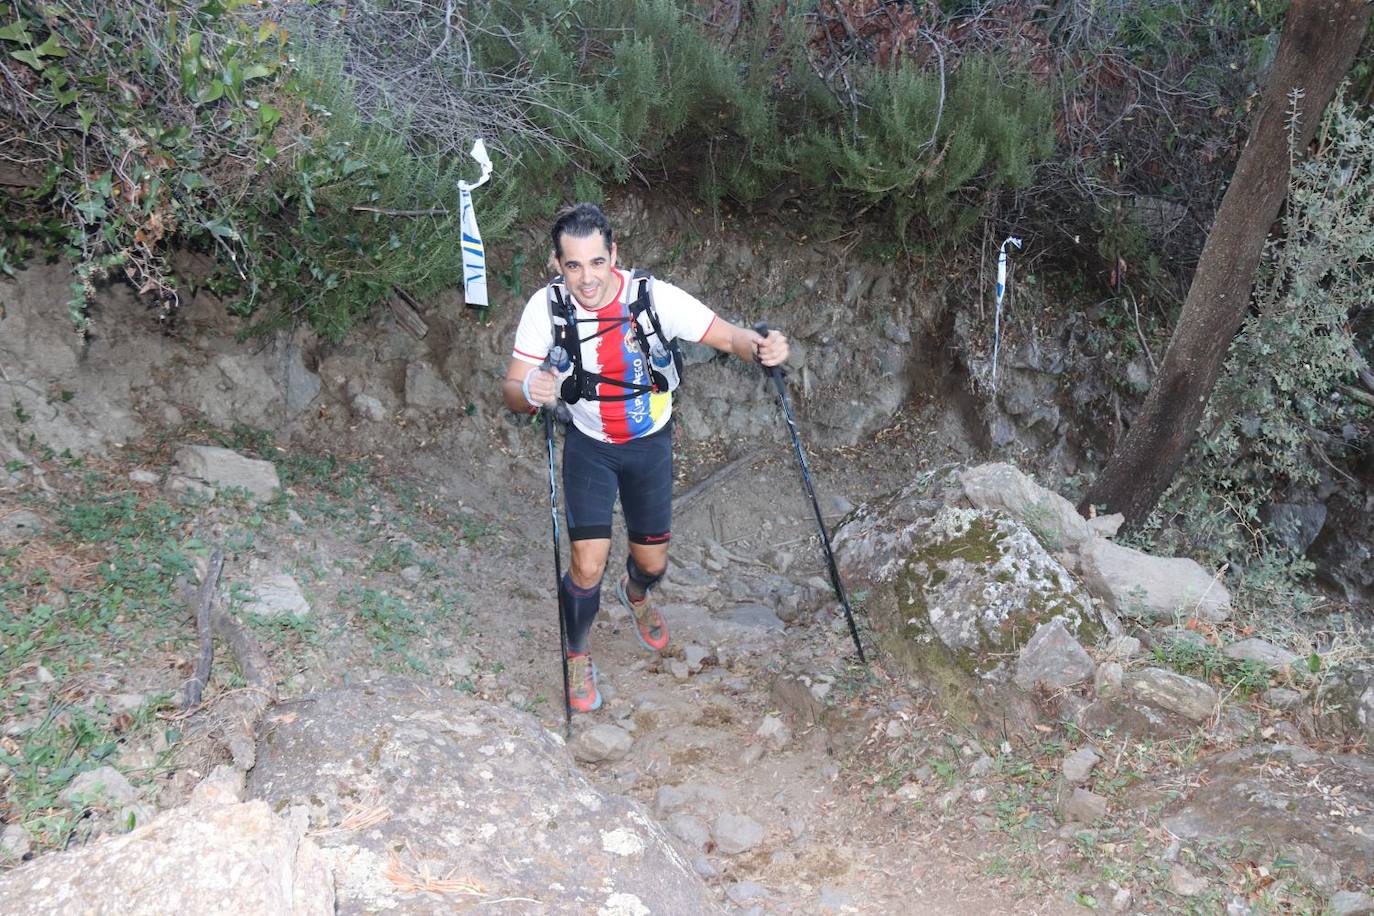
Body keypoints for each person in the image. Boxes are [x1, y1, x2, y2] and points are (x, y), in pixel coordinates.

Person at [502, 203, 789, 713]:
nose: (586, 278)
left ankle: (635, 594)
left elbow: (727, 336)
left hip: (650, 445)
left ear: (614, 254)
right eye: (573, 265)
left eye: (596, 262)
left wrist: (761, 346)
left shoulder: (651, 297)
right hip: (589, 448)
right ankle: (576, 653)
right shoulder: (545, 309)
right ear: (557, 264)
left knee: (651, 562)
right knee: (585, 563)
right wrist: (530, 386)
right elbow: (512, 389)